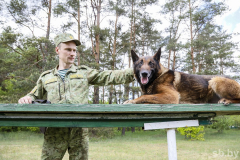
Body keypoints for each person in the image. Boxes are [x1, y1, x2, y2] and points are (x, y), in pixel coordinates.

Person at [18, 33, 135, 160]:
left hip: (79, 131)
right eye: (68, 49)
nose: (72, 53)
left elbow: (107, 76)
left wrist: (135, 70)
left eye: (74, 50)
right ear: (58, 50)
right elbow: (33, 94)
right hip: (55, 130)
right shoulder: (46, 77)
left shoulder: (84, 73)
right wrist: (27, 98)